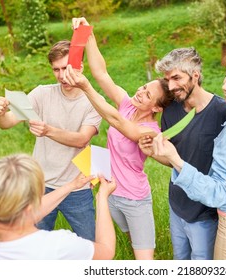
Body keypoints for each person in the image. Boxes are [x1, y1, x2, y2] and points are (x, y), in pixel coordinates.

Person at [139, 47, 226, 260]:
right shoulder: (171, 111)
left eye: (177, 78)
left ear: (195, 75)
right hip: (180, 206)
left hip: (212, 216)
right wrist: (155, 153)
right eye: (168, 80)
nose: (172, 86)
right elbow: (177, 160)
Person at [66, 17, 174, 260]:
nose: (140, 92)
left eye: (147, 95)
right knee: (128, 240)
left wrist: (85, 87)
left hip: (135, 199)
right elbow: (101, 73)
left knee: (144, 262)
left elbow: (116, 122)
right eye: (143, 86)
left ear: (156, 108)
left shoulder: (150, 132)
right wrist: (87, 34)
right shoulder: (126, 103)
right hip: (111, 193)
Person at [0, 40, 102, 241]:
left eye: (66, 68)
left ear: (80, 66)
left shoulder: (93, 102)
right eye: (56, 70)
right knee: (33, 245)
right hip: (40, 185)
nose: (61, 76)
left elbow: (81, 139)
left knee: (90, 247)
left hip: (78, 187)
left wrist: (48, 130)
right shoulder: (42, 92)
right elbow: (7, 123)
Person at [0, 153, 116, 260]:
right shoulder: (57, 246)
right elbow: (106, 252)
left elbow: (21, 211)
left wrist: (71, 185)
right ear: (30, 206)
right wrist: (102, 197)